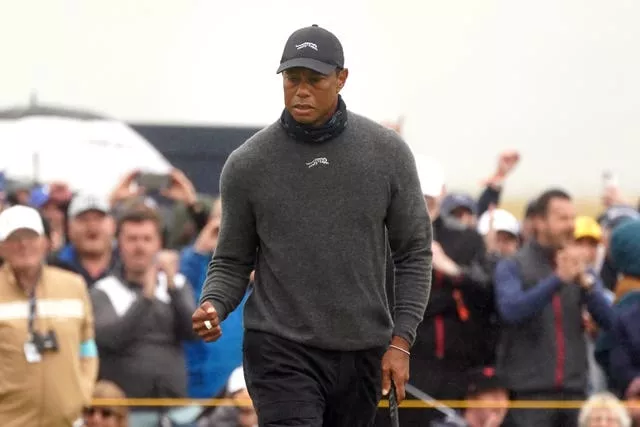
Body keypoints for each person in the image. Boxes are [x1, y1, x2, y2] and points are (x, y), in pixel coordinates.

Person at [192, 24, 432, 427]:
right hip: (279, 349)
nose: (301, 90)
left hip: (363, 350)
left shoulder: (387, 154)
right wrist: (214, 302)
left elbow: (414, 253)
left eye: (314, 80)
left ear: (341, 79)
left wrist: (402, 341)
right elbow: (231, 260)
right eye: (292, 79)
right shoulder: (247, 164)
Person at [494, 189, 613, 427]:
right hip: (529, 396)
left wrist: (587, 285)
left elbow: (610, 321)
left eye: (572, 217)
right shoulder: (513, 265)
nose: (570, 225)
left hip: (575, 392)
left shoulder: (580, 268)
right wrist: (558, 279)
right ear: (539, 221)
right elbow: (511, 310)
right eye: (562, 218)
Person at [0, 205, 98, 427]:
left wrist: (82, 392)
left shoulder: (74, 285)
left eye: (31, 236)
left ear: (46, 241)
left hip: (67, 421)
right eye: (13, 237)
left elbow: (87, 345)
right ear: (1, 247)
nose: (23, 244)